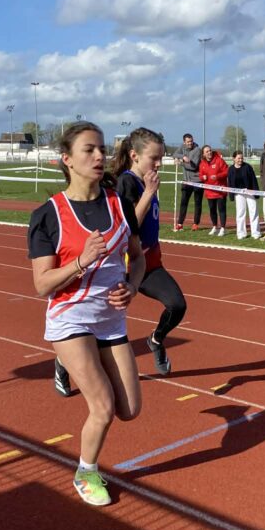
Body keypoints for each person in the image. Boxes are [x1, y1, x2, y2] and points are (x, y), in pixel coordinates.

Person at [27, 121, 145, 506]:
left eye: (102, 149)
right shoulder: (49, 215)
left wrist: (132, 286)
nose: (99, 156)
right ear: (67, 160)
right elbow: (42, 285)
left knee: (130, 409)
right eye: (89, 150)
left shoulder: (120, 204)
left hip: (110, 320)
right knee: (104, 407)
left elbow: (138, 258)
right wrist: (81, 261)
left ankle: (67, 362)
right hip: (71, 318)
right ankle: (86, 472)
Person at [113, 127, 188, 376]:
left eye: (161, 158)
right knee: (98, 323)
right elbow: (128, 225)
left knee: (177, 305)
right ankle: (64, 362)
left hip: (150, 264)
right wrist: (148, 193)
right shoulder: (126, 182)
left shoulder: (148, 181)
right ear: (134, 155)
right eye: (154, 158)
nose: (159, 164)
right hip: (124, 264)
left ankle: (156, 339)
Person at [227, 151, 261, 240]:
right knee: (240, 213)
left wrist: (255, 193)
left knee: (253, 211)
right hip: (238, 193)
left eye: (242, 158)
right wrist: (231, 195)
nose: (240, 160)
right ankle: (241, 233)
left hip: (250, 191)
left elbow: (253, 180)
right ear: (234, 159)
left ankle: (256, 233)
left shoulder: (248, 167)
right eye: (238, 158)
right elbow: (230, 183)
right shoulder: (231, 169)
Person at [173, 133, 203, 230]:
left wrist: (181, 163)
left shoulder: (197, 150)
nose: (190, 143)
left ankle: (195, 223)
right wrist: (183, 157)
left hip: (197, 180)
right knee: (183, 202)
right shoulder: (182, 147)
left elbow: (193, 167)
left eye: (191, 141)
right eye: (188, 142)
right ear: (184, 142)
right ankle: (180, 223)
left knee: (197, 203)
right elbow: (174, 154)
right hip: (186, 180)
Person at [198, 144, 229, 236]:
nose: (209, 152)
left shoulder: (219, 160)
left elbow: (227, 171)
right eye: (207, 151)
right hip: (209, 191)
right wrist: (202, 177)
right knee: (212, 210)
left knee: (221, 209)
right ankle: (214, 226)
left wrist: (218, 176)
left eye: (210, 150)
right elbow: (200, 174)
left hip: (220, 190)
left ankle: (223, 228)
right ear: (203, 154)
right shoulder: (202, 164)